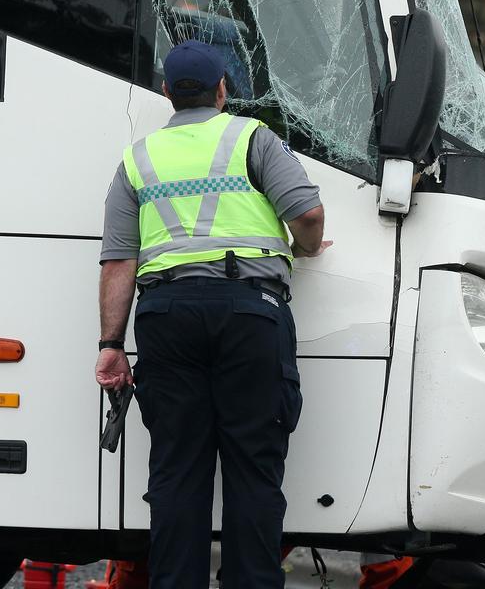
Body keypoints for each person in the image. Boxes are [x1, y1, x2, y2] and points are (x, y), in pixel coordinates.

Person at [94, 39, 330, 589]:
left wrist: (111, 343)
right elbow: (310, 214)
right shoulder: (252, 137)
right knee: (253, 471)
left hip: (166, 317)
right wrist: (306, 247)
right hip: (250, 315)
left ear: (166, 94)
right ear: (225, 89)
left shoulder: (139, 159)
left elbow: (118, 262)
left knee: (177, 473)